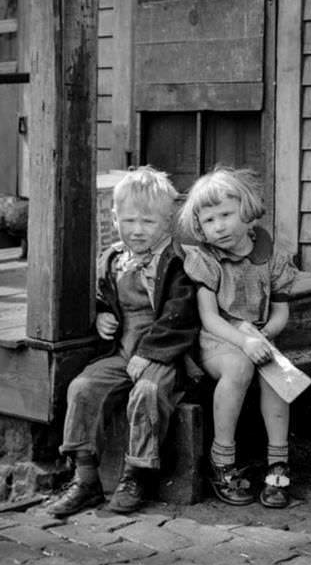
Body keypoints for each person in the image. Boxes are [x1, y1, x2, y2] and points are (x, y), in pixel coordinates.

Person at [48, 165, 199, 517]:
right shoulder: (114, 260)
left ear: (168, 221)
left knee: (146, 394)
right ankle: (85, 477)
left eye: (148, 222)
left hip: (165, 358)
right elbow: (102, 297)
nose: (137, 230)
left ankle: (136, 474)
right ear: (115, 219)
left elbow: (181, 316)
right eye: (129, 221)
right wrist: (101, 315)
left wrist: (149, 354)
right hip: (121, 352)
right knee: (83, 387)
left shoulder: (176, 263)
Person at [179, 166, 298, 508]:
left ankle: (278, 463)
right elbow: (209, 318)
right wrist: (244, 342)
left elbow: (280, 312)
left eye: (226, 215)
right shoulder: (207, 261)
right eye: (209, 220)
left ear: (246, 212)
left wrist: (263, 337)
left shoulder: (270, 256)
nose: (219, 226)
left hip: (258, 335)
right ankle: (222, 461)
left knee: (278, 375)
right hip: (218, 341)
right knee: (240, 368)